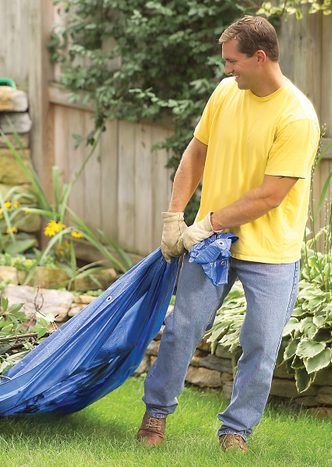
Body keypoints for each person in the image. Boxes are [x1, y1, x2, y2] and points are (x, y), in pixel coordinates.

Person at [136, 15, 320, 453]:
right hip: (213, 245)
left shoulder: (297, 117)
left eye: (232, 62)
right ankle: (155, 416)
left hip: (271, 251)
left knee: (259, 344)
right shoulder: (225, 94)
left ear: (259, 58)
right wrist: (174, 215)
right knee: (183, 330)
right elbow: (196, 152)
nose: (226, 70)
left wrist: (207, 222)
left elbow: (271, 195)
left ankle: (235, 431)